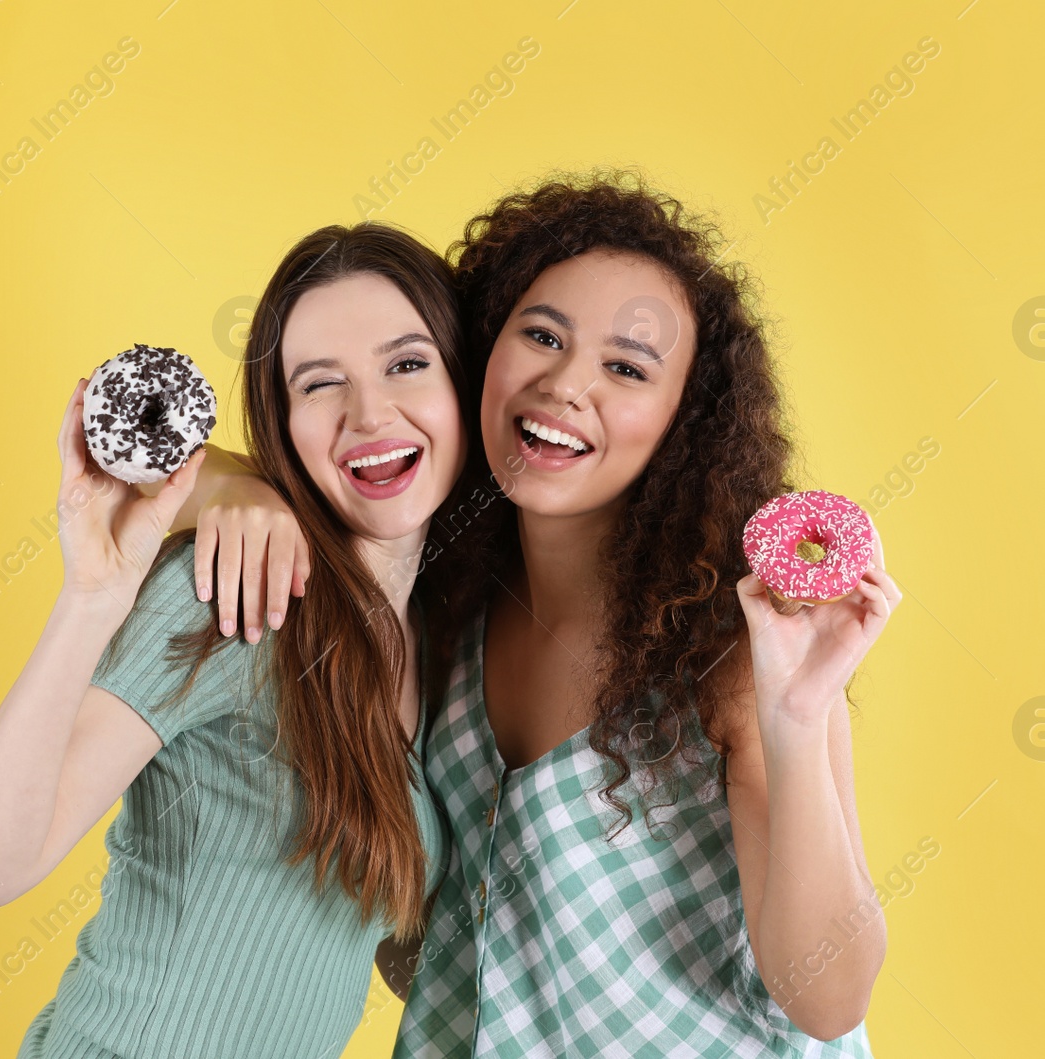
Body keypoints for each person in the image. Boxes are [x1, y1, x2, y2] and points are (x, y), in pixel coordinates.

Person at [188, 170, 899, 1056]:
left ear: (684, 420)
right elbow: (433, 950)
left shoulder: (738, 649)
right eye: (542, 336)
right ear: (481, 352)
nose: (567, 384)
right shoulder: (440, 607)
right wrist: (240, 484)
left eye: (626, 368)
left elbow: (828, 998)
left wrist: (796, 717)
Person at [0, 220, 480, 1058]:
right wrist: (93, 598)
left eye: (407, 363)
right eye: (319, 384)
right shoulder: (234, 598)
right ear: (284, 423)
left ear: (462, 386)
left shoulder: (438, 651)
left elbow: (357, 948)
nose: (370, 413)